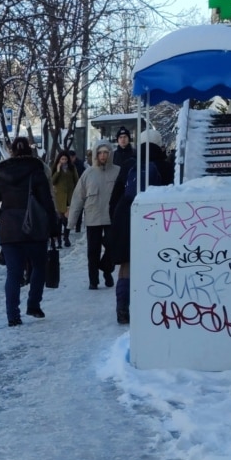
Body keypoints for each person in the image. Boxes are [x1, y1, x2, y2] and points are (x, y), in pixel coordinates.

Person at [0, 137, 59, 326]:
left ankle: (13, 316)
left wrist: (4, 219)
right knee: (39, 267)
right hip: (35, 228)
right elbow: (47, 203)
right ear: (30, 150)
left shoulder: (2, 174)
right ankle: (33, 305)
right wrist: (53, 227)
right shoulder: (36, 171)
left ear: (12, 152)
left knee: (13, 273)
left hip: (10, 232)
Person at [108, 128, 174, 324]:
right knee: (156, 263)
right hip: (157, 219)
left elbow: (115, 199)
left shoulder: (129, 164)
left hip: (127, 216)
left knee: (126, 265)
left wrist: (116, 223)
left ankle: (122, 306)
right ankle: (153, 306)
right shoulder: (166, 166)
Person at [68, 140, 120, 290]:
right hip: (93, 217)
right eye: (100, 153)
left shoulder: (117, 171)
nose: (103, 156)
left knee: (112, 247)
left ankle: (106, 270)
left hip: (111, 218)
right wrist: (71, 222)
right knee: (93, 251)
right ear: (96, 155)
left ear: (110, 154)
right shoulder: (88, 173)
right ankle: (93, 280)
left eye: (106, 153)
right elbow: (78, 197)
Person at [50, 150, 79, 249]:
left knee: (67, 220)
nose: (64, 161)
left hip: (69, 198)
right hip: (59, 198)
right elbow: (52, 181)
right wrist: (58, 170)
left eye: (66, 159)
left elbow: (76, 180)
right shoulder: (55, 169)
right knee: (58, 221)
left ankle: (66, 237)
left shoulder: (72, 168)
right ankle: (58, 241)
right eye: (62, 159)